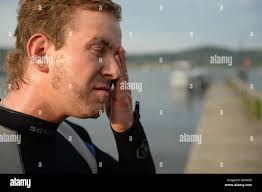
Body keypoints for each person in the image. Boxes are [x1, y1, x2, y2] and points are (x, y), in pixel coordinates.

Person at [0, 0, 155, 174]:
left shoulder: (76, 138)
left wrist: (126, 127)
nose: (115, 72)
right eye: (98, 50)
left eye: (116, 55)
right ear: (41, 53)